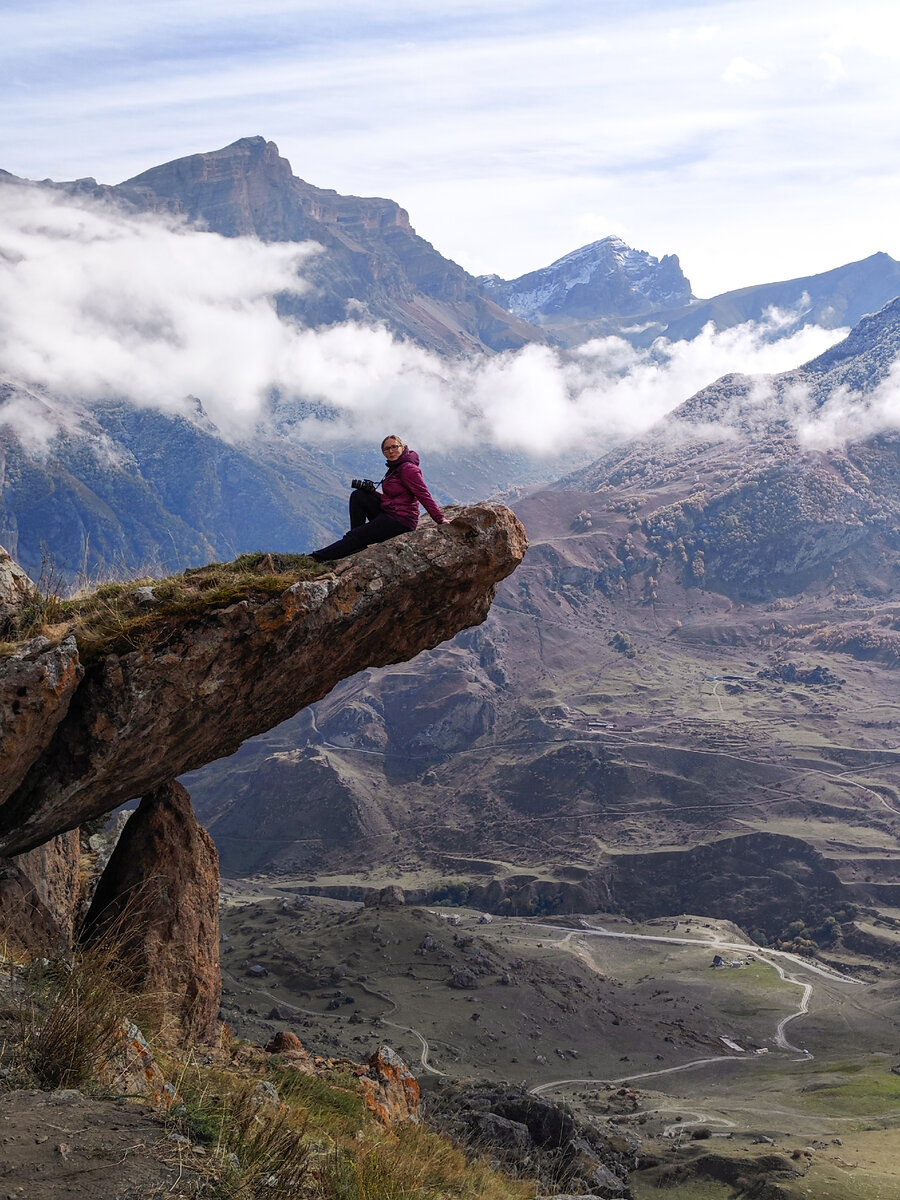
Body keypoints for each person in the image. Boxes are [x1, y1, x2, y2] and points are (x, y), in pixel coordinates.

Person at [310, 435, 446, 562]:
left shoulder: (408, 469)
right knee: (359, 495)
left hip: (401, 521)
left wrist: (440, 519)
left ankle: (315, 558)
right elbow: (394, 498)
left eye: (395, 447)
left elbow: (423, 494)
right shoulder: (396, 467)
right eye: (387, 449)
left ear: (403, 447)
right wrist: (373, 493)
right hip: (391, 512)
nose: (391, 451)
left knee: (354, 536)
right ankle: (357, 544)